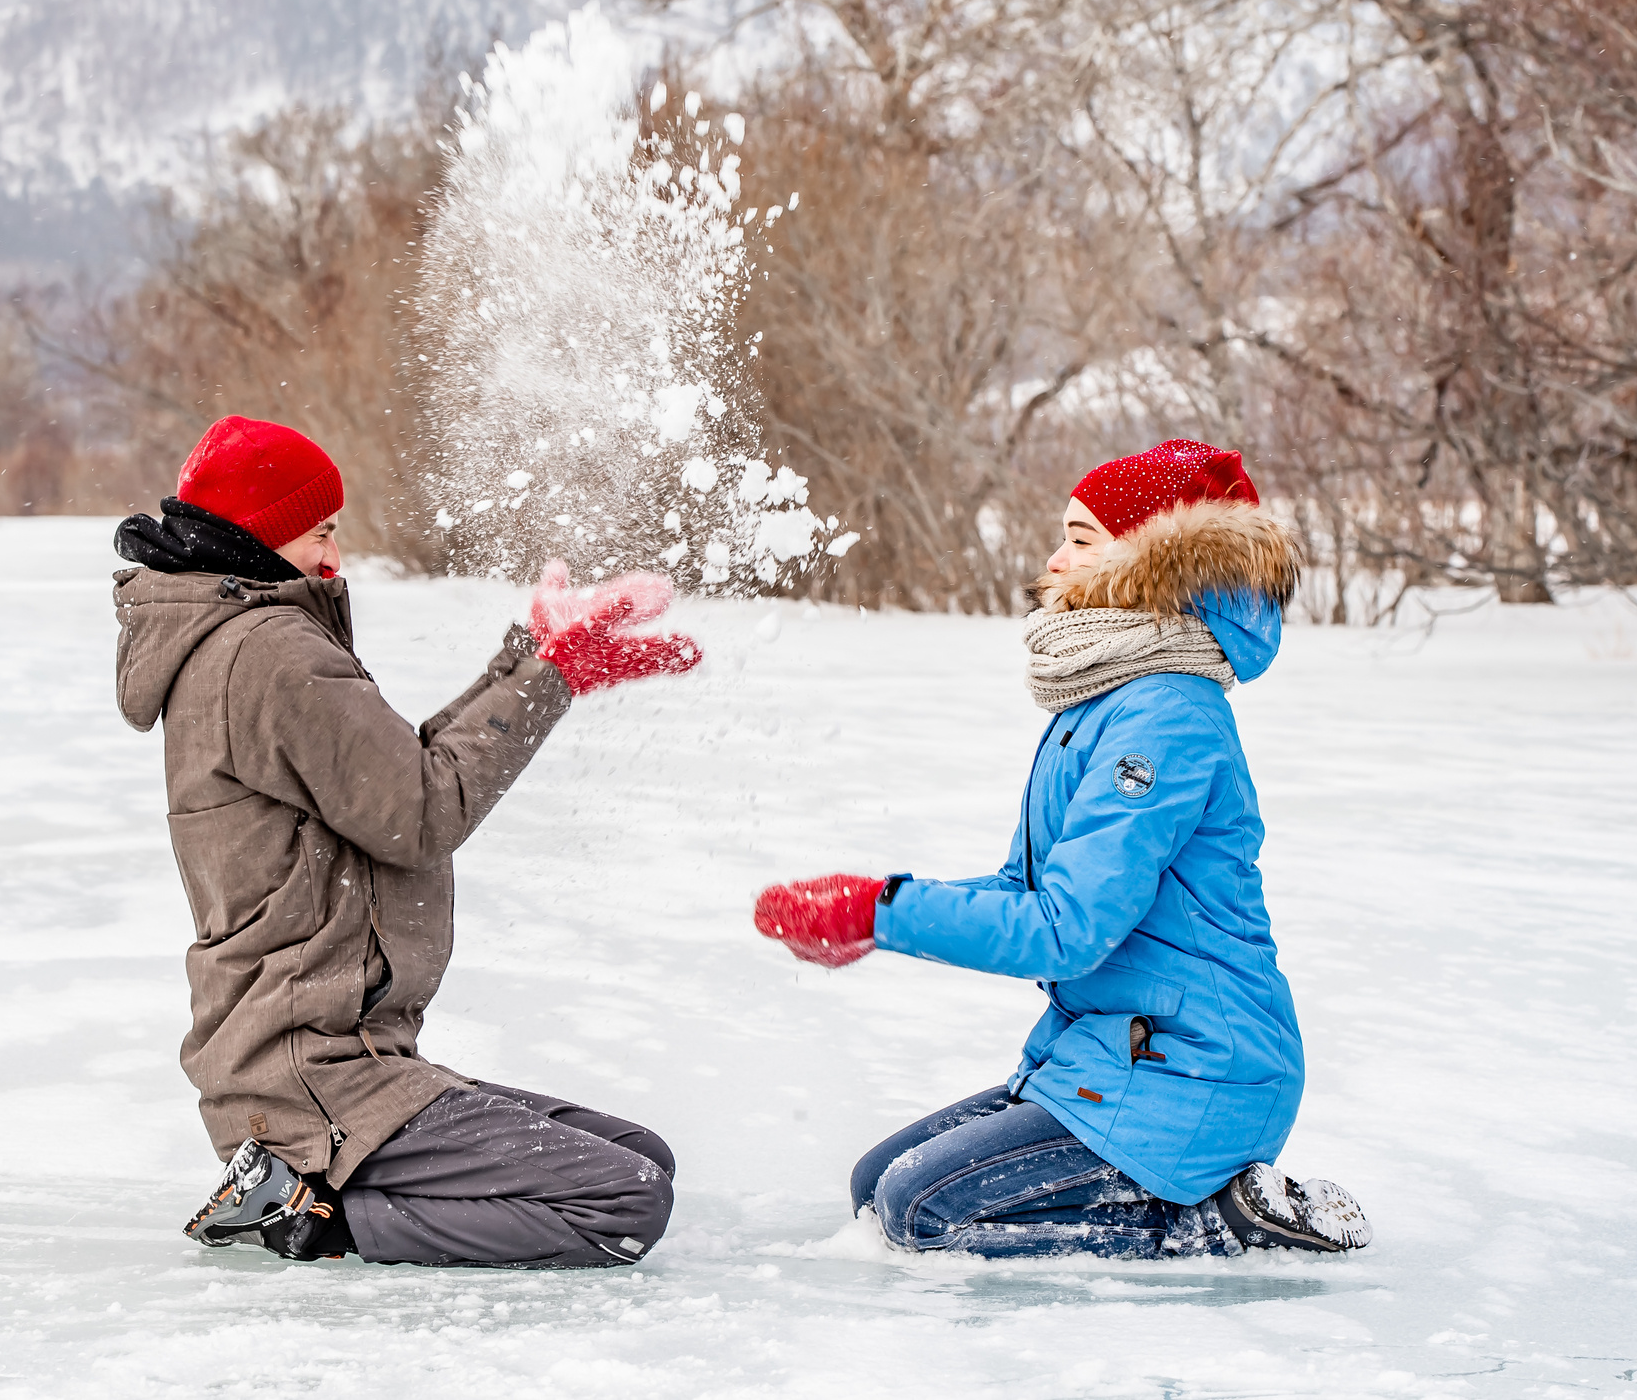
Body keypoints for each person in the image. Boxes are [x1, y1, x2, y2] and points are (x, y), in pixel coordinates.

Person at [749, 439, 1372, 1259]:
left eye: (1081, 539)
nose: (1054, 559)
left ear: (1148, 562)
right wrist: (878, 912)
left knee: (918, 1207)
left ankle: (1218, 1220)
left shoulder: (1166, 716)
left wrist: (883, 911)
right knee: (876, 1182)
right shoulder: (1104, 700)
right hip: (1115, 1049)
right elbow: (1025, 889)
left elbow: (1066, 928)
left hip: (1200, 1071)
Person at [113, 416, 702, 1267]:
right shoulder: (268, 652)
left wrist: (529, 662)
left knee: (641, 1157)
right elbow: (421, 812)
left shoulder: (241, 638)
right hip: (313, 1074)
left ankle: (310, 1191)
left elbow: (398, 778)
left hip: (334, 1056)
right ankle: (308, 1217)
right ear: (262, 533)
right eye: (320, 530)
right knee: (623, 1197)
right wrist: (552, 674)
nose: (334, 557)